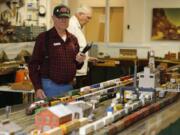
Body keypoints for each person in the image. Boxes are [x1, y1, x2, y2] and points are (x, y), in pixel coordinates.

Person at [28, 4, 86, 99]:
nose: (63, 20)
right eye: (60, 18)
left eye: (66, 18)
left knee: (67, 113)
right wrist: (37, 87)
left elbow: (77, 65)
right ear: (53, 18)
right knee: (49, 114)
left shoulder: (73, 39)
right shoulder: (44, 38)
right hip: (49, 87)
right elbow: (33, 64)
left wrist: (80, 61)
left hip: (69, 87)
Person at [68, 5, 97, 88]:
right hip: (74, 72)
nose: (89, 21)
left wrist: (88, 58)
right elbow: (69, 51)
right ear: (80, 14)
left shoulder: (77, 26)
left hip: (78, 70)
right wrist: (72, 75)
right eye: (88, 18)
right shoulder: (71, 26)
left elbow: (78, 49)